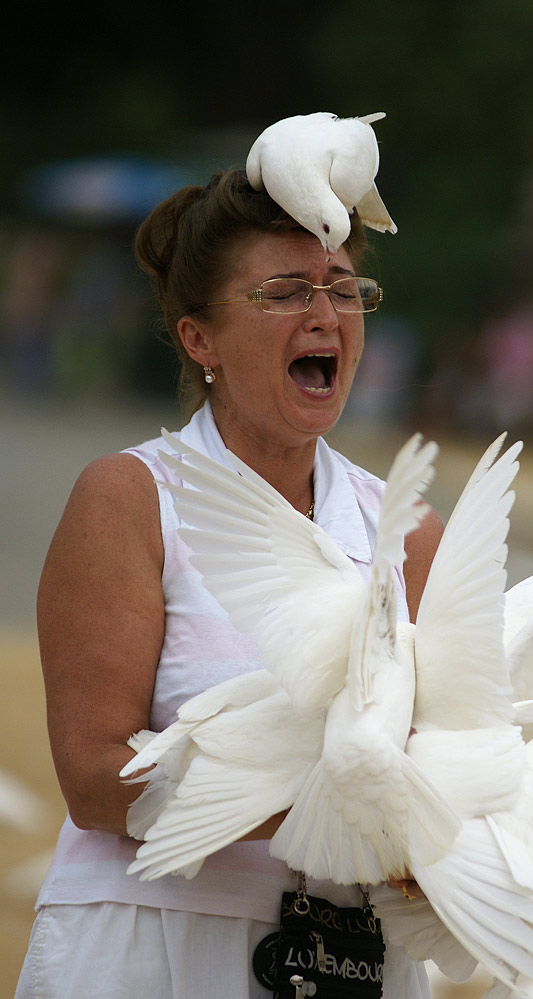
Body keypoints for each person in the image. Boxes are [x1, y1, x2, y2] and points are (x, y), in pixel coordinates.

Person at [16, 168, 444, 998]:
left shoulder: (407, 532)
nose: (325, 314)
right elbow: (95, 779)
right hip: (152, 949)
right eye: (284, 291)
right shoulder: (132, 498)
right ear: (198, 338)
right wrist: (346, 804)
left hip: (357, 963)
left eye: (344, 289)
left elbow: (442, 779)